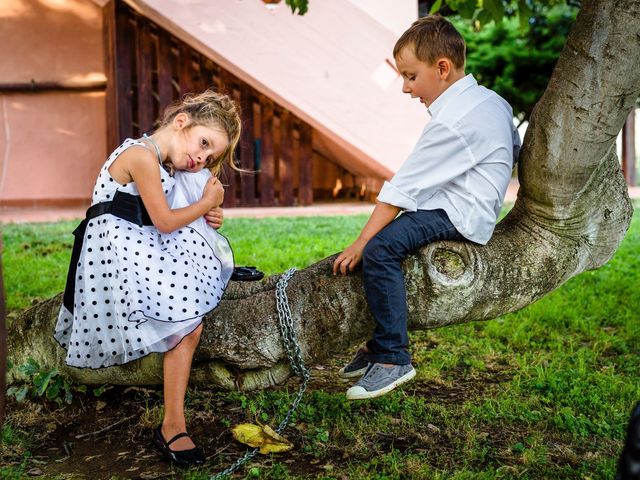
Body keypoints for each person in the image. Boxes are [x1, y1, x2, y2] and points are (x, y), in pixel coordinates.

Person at [333, 15, 521, 400]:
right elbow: (515, 152)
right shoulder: (491, 102)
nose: (404, 87)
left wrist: (359, 243)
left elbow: (401, 189)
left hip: (458, 212)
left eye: (410, 76)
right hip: (459, 202)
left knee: (380, 250)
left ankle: (392, 358)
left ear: (442, 68)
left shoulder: (454, 121)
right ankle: (378, 342)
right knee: (388, 242)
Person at [54, 90, 241, 466]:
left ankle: (173, 422)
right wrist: (205, 204)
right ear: (181, 121)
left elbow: (171, 216)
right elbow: (165, 221)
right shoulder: (140, 155)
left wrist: (208, 215)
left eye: (210, 156)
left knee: (191, 324)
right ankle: (173, 424)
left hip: (137, 248)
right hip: (113, 259)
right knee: (185, 320)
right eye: (204, 144)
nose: (202, 158)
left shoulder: (163, 164)